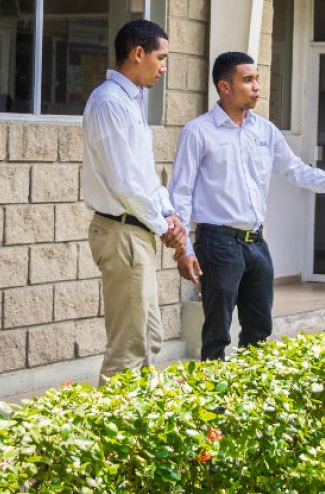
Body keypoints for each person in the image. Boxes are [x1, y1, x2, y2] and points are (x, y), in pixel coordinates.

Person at [169, 51, 325, 361]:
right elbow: (180, 193)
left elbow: (297, 171)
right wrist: (185, 250)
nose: (257, 86)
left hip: (256, 243)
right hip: (217, 243)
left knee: (259, 330)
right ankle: (213, 405)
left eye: (256, 79)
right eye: (247, 80)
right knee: (217, 333)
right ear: (224, 87)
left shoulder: (265, 131)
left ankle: (251, 399)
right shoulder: (198, 131)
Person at [82, 19, 187, 385]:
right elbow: (124, 183)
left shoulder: (131, 101)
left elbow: (144, 174)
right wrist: (165, 228)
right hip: (123, 231)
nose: (164, 67)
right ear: (137, 53)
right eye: (160, 57)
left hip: (138, 231)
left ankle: (139, 432)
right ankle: (108, 436)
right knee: (126, 351)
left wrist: (169, 214)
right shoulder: (110, 103)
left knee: (147, 341)